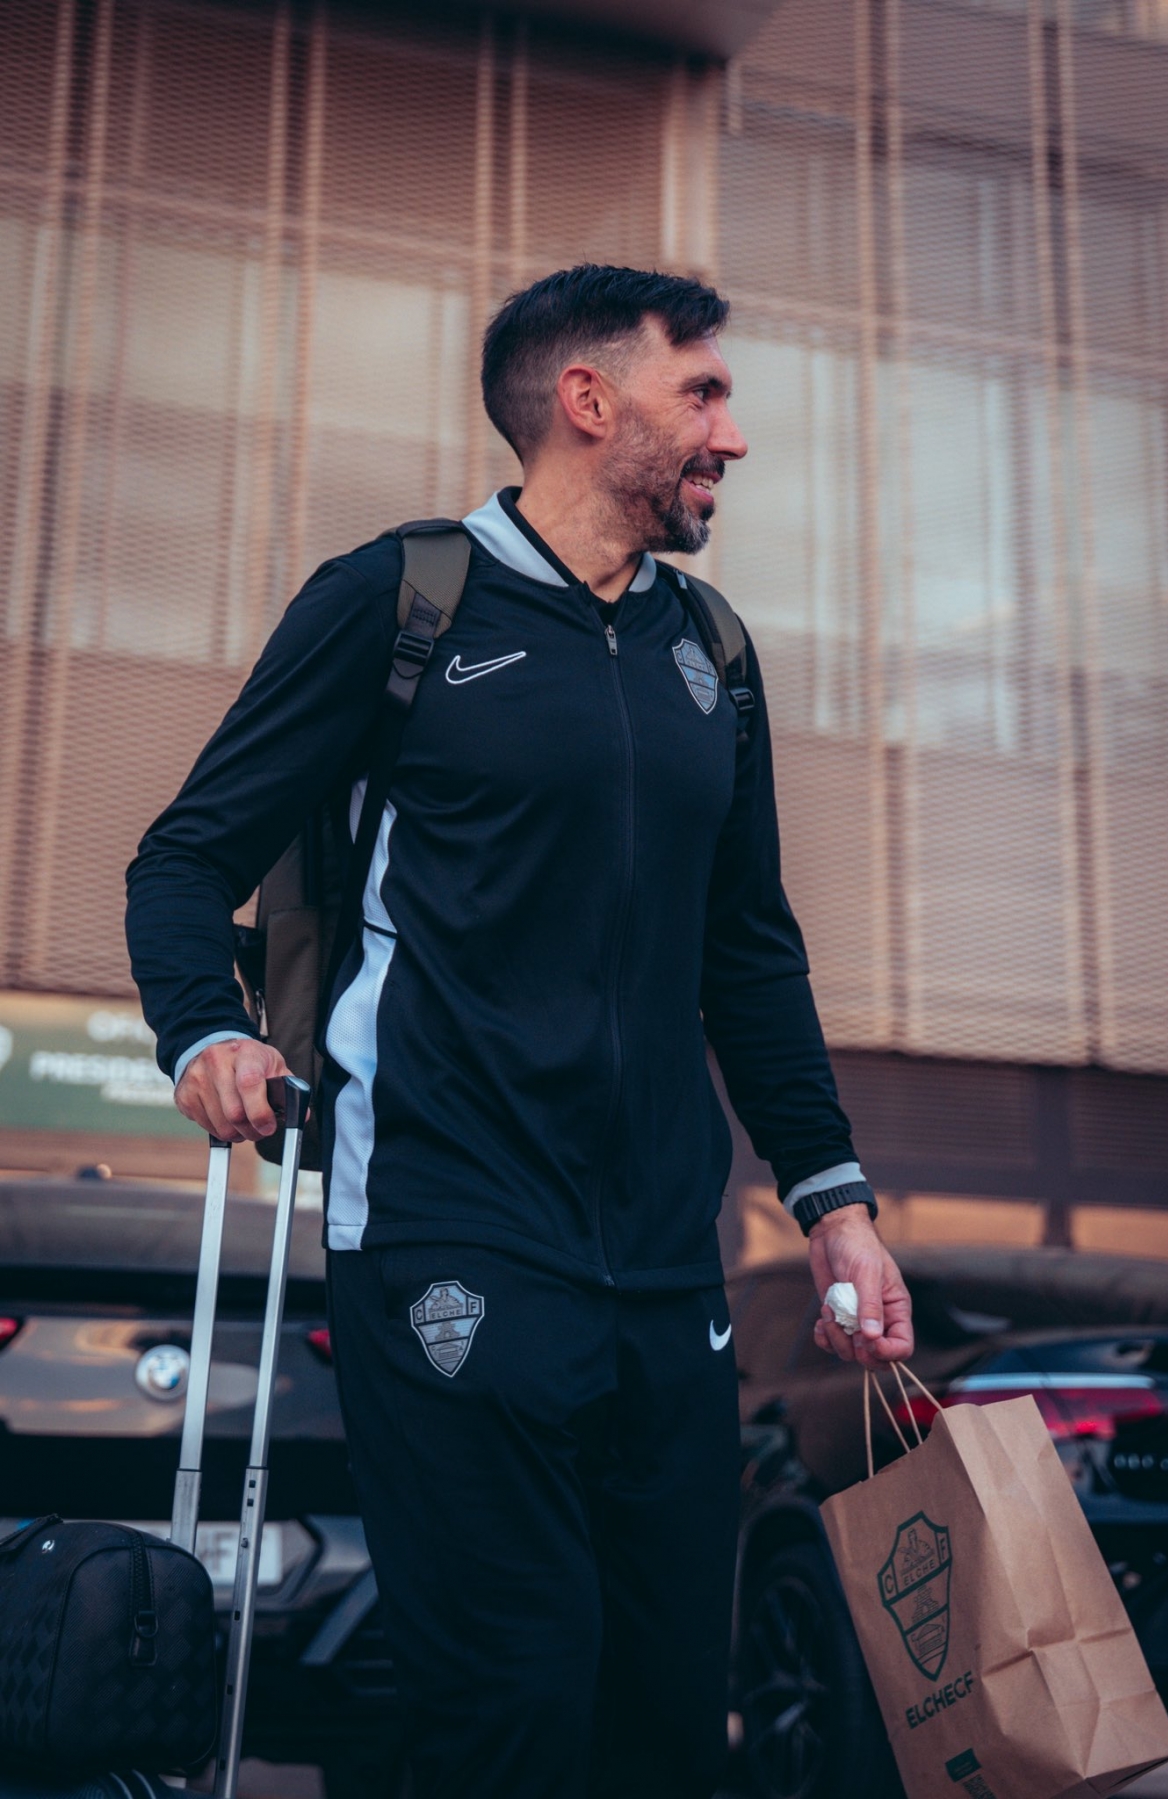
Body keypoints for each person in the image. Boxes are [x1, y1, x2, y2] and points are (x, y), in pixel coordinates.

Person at [126, 264, 914, 1799]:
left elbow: (746, 952)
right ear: (587, 401)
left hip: (664, 1263)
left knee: (670, 1718)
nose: (733, 437)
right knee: (510, 1705)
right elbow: (184, 857)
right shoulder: (399, 604)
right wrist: (198, 1034)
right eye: (704, 393)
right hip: (447, 1225)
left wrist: (836, 1205)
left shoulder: (712, 653)